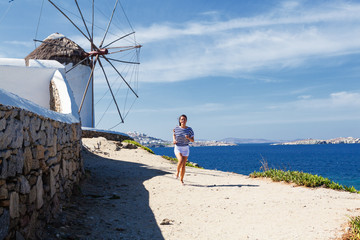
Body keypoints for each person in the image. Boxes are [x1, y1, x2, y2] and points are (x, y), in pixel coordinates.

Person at [173, 114, 194, 185]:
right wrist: (174, 140)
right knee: (181, 160)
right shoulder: (176, 128)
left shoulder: (189, 129)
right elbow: (174, 135)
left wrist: (188, 138)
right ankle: (177, 172)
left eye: (184, 119)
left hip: (185, 148)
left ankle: (181, 180)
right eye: (182, 119)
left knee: (184, 165)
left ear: (186, 121)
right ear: (179, 120)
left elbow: (192, 140)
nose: (183, 120)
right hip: (178, 147)